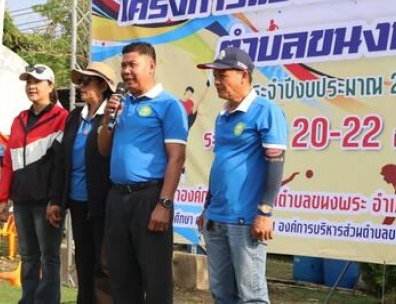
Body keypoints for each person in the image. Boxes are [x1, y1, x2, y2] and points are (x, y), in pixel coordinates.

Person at [195, 45, 288, 304]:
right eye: (215, 75)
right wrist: (206, 209)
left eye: (222, 75)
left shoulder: (266, 111)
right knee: (222, 295)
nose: (216, 81)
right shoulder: (222, 115)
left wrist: (265, 212)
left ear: (243, 75)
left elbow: (276, 165)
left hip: (245, 220)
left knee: (251, 297)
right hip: (216, 219)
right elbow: (221, 165)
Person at [98, 42, 188, 304]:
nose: (126, 71)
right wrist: (107, 120)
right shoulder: (120, 103)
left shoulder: (169, 105)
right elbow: (103, 150)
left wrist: (164, 204)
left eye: (132, 65)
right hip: (117, 198)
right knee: (121, 277)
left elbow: (176, 157)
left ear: (151, 66)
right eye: (123, 65)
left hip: (149, 198)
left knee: (155, 278)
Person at [0, 64, 68, 304]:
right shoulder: (19, 120)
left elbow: (61, 165)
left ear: (51, 86)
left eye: (37, 81)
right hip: (22, 199)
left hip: (47, 200)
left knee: (49, 257)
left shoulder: (63, 118)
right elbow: (8, 163)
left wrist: (56, 200)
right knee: (27, 256)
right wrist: (2, 199)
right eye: (28, 82)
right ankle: (28, 300)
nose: (31, 86)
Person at [49, 61, 117, 304]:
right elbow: (61, 161)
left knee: (104, 267)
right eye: (80, 81)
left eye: (86, 81)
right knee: (84, 263)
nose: (80, 86)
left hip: (105, 203)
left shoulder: (113, 116)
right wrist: (56, 200)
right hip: (77, 203)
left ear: (103, 85)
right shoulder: (74, 117)